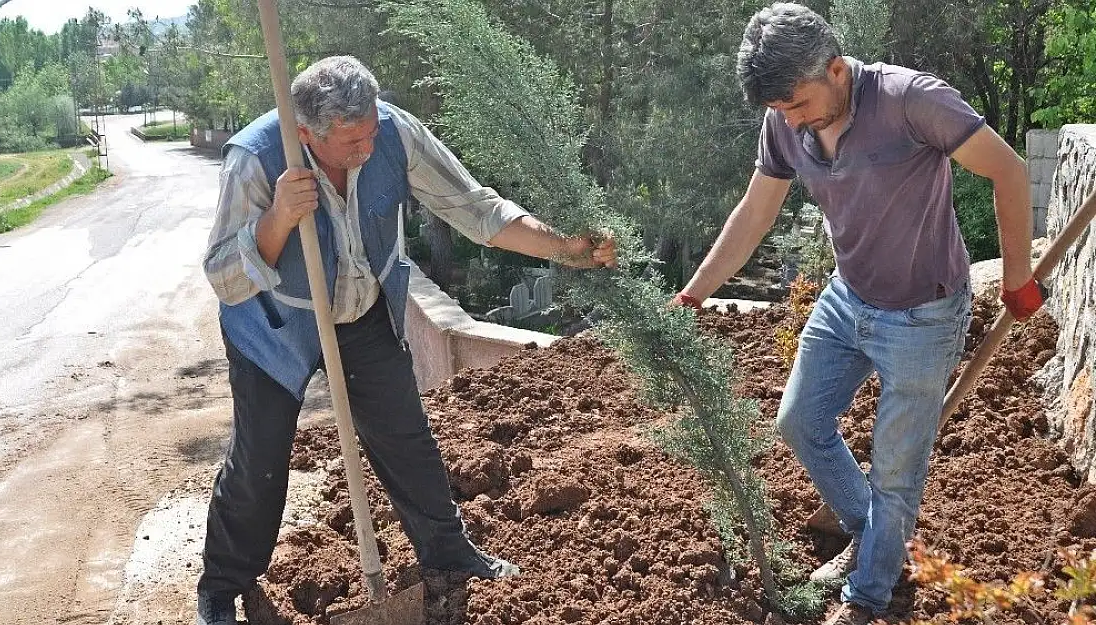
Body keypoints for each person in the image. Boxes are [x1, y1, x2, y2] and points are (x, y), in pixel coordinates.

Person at [197, 56, 616, 625]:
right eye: (350, 144)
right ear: (305, 134)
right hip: (274, 325)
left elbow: (475, 208)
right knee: (260, 460)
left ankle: (449, 554)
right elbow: (223, 276)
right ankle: (223, 587)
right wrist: (275, 222)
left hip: (363, 314)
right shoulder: (255, 159)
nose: (365, 151)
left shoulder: (394, 132)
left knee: (406, 438)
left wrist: (564, 247)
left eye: (369, 134)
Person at [671, 4, 1044, 624]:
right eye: (777, 109)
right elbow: (755, 213)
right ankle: (874, 535)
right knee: (799, 422)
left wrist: (1017, 278)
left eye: (796, 102)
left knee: (896, 471)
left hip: (924, 314)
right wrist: (695, 292)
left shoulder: (911, 101)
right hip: (848, 299)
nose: (789, 119)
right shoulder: (784, 122)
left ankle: (868, 595)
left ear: (837, 70)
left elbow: (1008, 169)